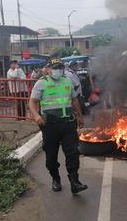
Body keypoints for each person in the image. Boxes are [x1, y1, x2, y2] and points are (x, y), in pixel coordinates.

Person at [29, 58, 87, 194]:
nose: (58, 70)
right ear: (48, 69)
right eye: (55, 68)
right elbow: (32, 102)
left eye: (60, 67)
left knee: (73, 153)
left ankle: (74, 182)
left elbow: (74, 99)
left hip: (68, 123)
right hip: (50, 125)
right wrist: (37, 116)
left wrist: (80, 116)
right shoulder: (41, 83)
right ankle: (55, 178)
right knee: (51, 156)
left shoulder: (67, 81)